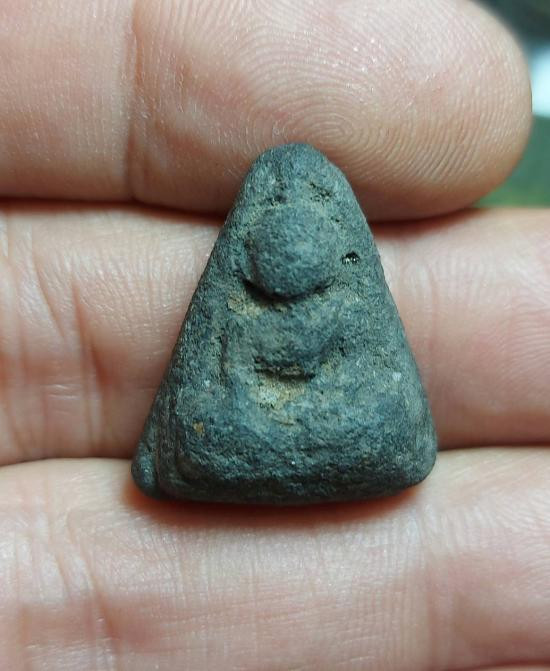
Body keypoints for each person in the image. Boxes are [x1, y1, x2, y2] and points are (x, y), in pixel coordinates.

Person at [0, 1, 547, 669]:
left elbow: (368, 379)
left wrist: (335, 409)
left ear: (333, 248)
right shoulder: (238, 311)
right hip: (244, 427)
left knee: (380, 417)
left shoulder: (343, 308)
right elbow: (218, 381)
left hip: (342, 425)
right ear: (251, 250)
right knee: (207, 426)